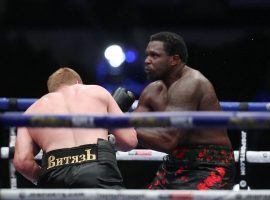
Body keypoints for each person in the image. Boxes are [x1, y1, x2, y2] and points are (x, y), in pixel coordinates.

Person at [135, 32, 235, 190]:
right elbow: (132, 133)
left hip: (208, 165)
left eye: (154, 55)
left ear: (174, 59)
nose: (147, 61)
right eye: (147, 55)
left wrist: (119, 123)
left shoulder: (192, 83)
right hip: (174, 163)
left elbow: (166, 141)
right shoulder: (152, 91)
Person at [13, 67, 137, 188]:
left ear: (51, 92)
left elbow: (22, 162)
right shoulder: (97, 91)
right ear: (78, 83)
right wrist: (109, 142)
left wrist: (42, 179)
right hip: (98, 167)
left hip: (54, 173)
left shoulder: (32, 111)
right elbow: (129, 140)